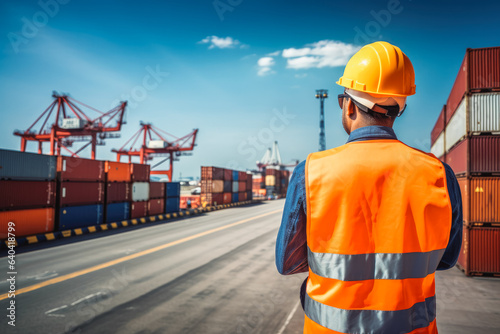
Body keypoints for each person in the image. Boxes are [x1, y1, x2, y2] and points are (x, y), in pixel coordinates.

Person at [275, 41, 462, 334]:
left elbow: (287, 263)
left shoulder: (310, 172)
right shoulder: (439, 173)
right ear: (399, 109)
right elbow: (448, 259)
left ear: (348, 105)